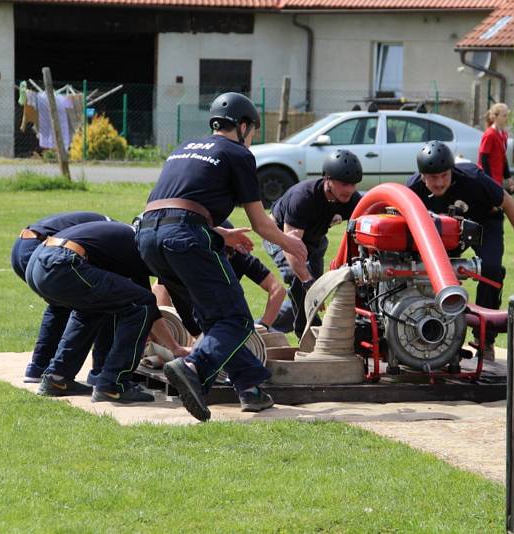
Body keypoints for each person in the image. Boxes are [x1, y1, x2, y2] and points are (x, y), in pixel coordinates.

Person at [136, 92, 307, 421]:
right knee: (236, 320)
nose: (252, 139)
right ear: (243, 126)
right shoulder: (238, 154)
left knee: (215, 321)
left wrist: (220, 233)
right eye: (253, 131)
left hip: (148, 238)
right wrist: (290, 243)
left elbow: (172, 204)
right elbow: (260, 223)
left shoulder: (183, 148)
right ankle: (191, 365)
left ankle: (250, 388)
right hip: (185, 237)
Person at [25, 220, 189, 403]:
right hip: (62, 263)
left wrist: (175, 348)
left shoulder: (131, 244)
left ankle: (57, 379)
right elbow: (146, 306)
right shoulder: (145, 249)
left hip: (39, 263)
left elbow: (149, 310)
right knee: (139, 302)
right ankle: (113, 385)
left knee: (93, 309)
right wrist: (178, 346)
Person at [407, 141, 514, 359]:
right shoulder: (412, 189)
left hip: (484, 223)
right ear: (422, 176)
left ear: (452, 171)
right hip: (443, 231)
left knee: (491, 270)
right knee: (421, 269)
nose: (440, 182)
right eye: (433, 177)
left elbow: (508, 203)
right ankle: (429, 329)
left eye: (445, 175)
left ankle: (485, 340)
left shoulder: (473, 178)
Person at [264, 149, 362, 337]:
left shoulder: (351, 199)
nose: (349, 189)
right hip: (279, 237)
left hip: (314, 242)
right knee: (302, 281)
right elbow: (290, 246)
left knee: (311, 290)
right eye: (343, 184)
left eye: (353, 185)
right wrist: (308, 281)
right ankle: (310, 334)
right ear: (327, 179)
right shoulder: (304, 197)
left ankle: (264, 327)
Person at [10, 211, 112, 383]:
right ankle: (99, 371)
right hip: (39, 247)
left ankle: (38, 367)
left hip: (23, 246)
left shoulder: (106, 225)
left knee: (60, 306)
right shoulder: (114, 236)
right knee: (99, 304)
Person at [152, 220, 286, 335]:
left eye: (228, 252)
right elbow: (160, 287)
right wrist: (174, 325)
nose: (225, 257)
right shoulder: (189, 257)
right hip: (190, 313)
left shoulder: (238, 256)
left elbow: (277, 289)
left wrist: (263, 326)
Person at [477, 103, 514, 193]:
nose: (506, 118)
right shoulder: (489, 134)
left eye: (507, 115)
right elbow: (484, 160)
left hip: (497, 180)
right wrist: (489, 180)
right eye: (504, 116)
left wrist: (508, 177)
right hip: (489, 179)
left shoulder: (504, 134)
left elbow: (503, 157)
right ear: (495, 117)